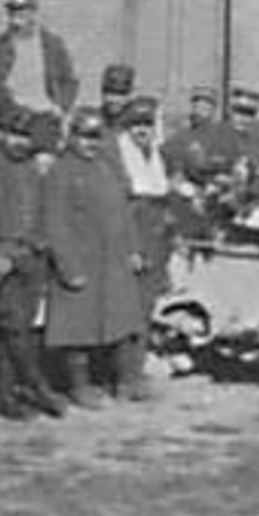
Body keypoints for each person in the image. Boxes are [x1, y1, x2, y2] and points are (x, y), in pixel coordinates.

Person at [43, 106, 149, 406]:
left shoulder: (107, 167)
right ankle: (80, 386)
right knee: (77, 329)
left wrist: (133, 249)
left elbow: (123, 212)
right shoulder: (60, 171)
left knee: (121, 322)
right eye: (85, 136)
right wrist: (68, 266)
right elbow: (54, 223)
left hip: (113, 261)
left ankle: (126, 382)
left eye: (97, 136)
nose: (92, 143)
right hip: (82, 260)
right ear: (71, 137)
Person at [0, 104, 67, 420]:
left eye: (25, 136)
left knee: (22, 327)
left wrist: (41, 241)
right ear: (0, 135)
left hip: (33, 254)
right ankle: (35, 383)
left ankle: (5, 396)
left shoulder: (32, 169)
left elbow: (41, 208)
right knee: (13, 325)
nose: (19, 142)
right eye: (13, 135)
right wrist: (1, 252)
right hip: (6, 255)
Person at [111, 92, 174, 337]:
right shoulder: (119, 155)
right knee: (128, 302)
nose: (141, 130)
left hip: (155, 239)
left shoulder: (158, 156)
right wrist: (131, 248)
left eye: (147, 124)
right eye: (135, 125)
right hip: (132, 235)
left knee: (147, 301)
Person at [0, 0, 79, 117]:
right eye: (11, 9)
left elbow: (70, 81)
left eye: (21, 8)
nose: (15, 13)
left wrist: (61, 106)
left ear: (33, 11)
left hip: (43, 116)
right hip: (9, 119)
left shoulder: (53, 45)